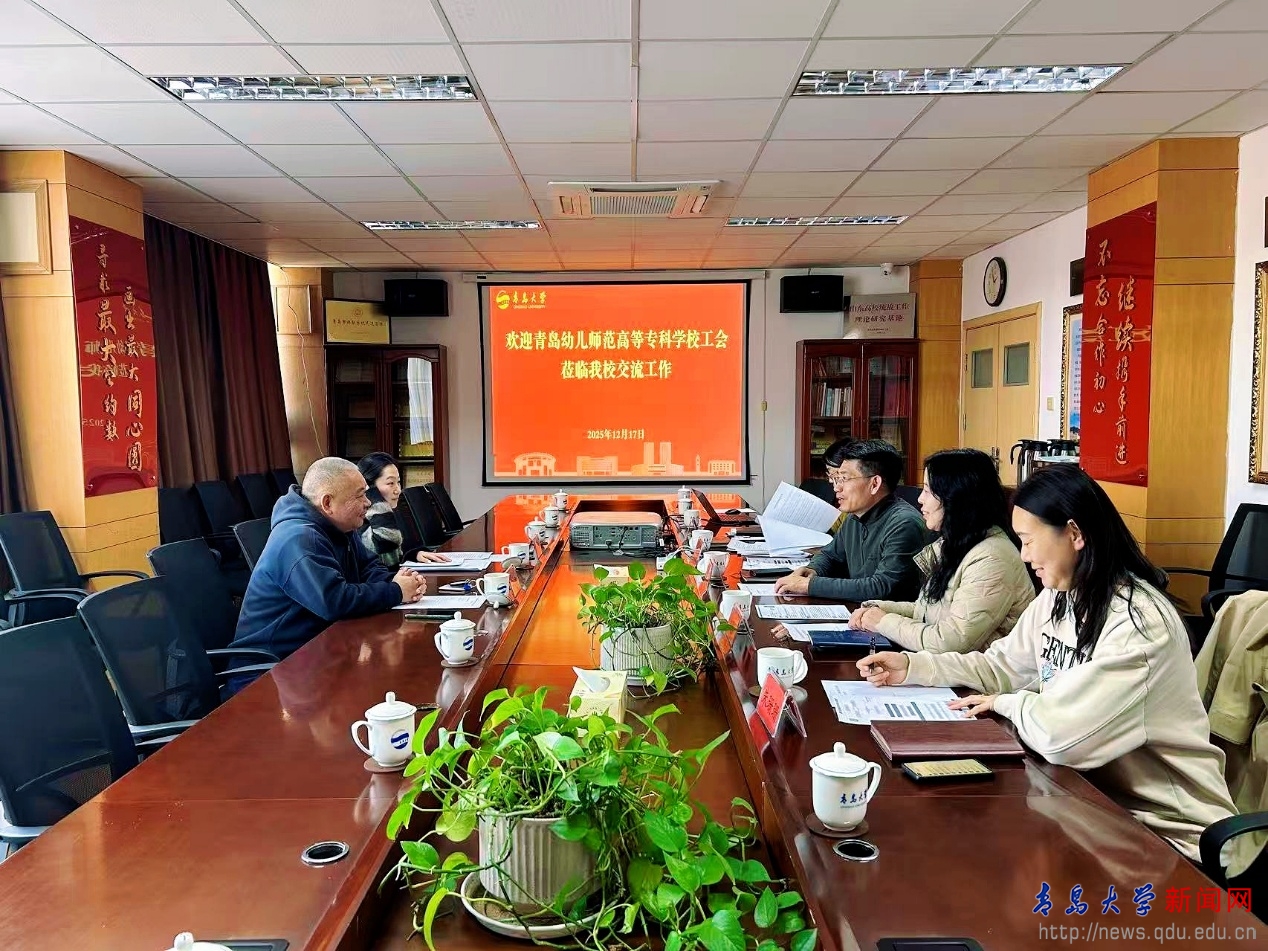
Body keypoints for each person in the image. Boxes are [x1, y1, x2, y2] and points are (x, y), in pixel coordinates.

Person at [857, 464, 1240, 869]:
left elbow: (1061, 737)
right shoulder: (1060, 595)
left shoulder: (1139, 624)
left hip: (1170, 837)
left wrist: (1006, 702)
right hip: (1088, 803)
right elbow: (1001, 667)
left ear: (1074, 534)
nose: (1023, 555)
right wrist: (912, 667)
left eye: (1027, 540)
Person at [230, 457, 427, 661]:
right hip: (272, 665)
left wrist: (401, 582)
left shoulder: (340, 526)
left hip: (320, 651)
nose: (368, 502)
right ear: (327, 503)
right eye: (360, 495)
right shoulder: (298, 538)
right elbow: (334, 602)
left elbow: (368, 567)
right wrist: (395, 591)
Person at [848, 448, 1035, 653]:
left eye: (928, 491)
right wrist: (878, 608)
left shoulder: (992, 559)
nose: (920, 499)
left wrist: (883, 621)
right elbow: (927, 613)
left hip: (970, 672)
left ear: (956, 498)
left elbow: (950, 642)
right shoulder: (955, 543)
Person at [773, 438, 927, 601]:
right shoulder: (854, 517)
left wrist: (809, 585)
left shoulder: (904, 523)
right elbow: (830, 556)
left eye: (844, 479)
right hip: (858, 611)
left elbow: (881, 587)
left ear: (874, 484)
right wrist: (812, 570)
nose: (836, 487)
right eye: (837, 479)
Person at [356, 451, 450, 568]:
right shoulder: (357, 523)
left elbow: (393, 557)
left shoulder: (389, 513)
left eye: (398, 482)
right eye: (390, 483)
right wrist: (372, 495)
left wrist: (414, 555)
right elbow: (385, 544)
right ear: (368, 487)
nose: (398, 490)